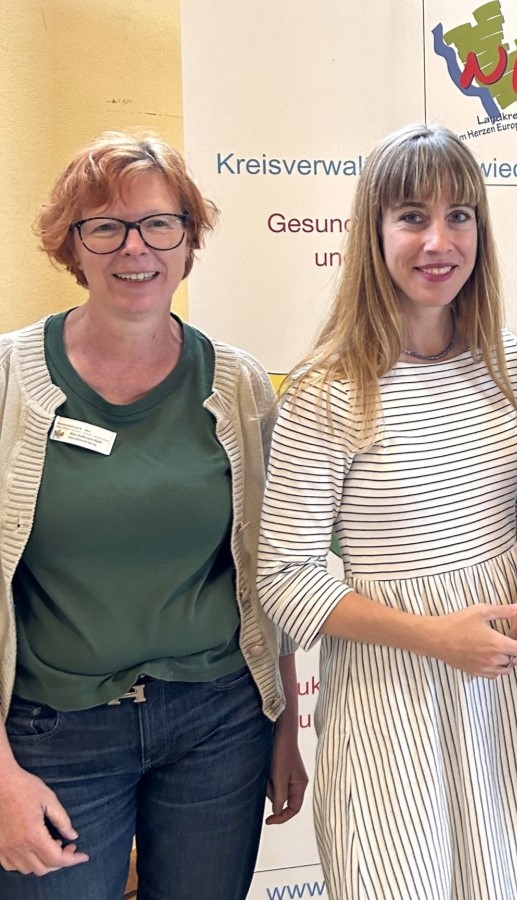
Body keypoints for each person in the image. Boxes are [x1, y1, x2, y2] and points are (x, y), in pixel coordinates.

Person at [256, 123, 517, 900]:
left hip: (503, 696)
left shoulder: (509, 360)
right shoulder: (327, 390)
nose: (440, 240)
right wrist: (436, 638)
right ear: (373, 231)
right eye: (411, 216)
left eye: (459, 215)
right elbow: (286, 579)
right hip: (392, 702)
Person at [0, 132, 307, 899]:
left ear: (188, 236)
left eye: (158, 223)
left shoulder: (236, 386)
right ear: (70, 244)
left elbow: (270, 568)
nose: (134, 247)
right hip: (53, 732)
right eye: (104, 226)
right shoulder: (9, 380)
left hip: (217, 722)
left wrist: (283, 726)